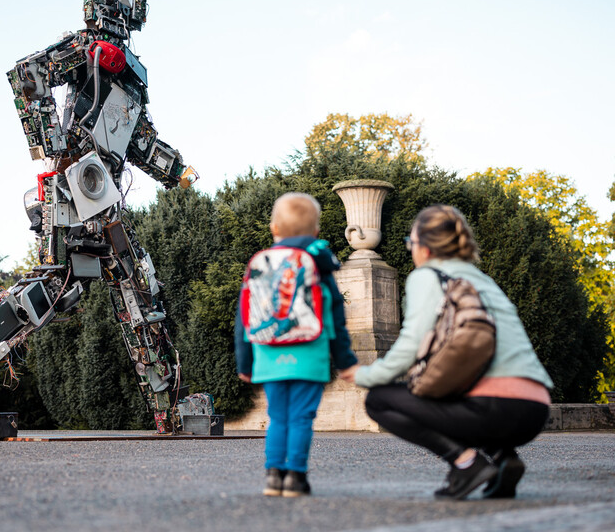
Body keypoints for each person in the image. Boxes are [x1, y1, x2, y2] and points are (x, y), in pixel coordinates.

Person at [341, 204, 553, 500]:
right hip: (535, 410)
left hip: (493, 409)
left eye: (410, 243)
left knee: (379, 400)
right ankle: (504, 459)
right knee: (449, 389)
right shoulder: (482, 280)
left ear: (424, 248)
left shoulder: (429, 275)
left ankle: (467, 463)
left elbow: (411, 343)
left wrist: (366, 374)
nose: (411, 250)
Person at [235, 192, 358, 497]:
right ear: (315, 232)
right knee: (301, 418)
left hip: (268, 354)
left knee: (278, 417)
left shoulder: (261, 263)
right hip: (309, 355)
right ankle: (296, 478)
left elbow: (244, 317)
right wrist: (345, 360)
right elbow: (335, 314)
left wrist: (245, 363)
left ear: (274, 228)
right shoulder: (319, 260)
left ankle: (274, 475)